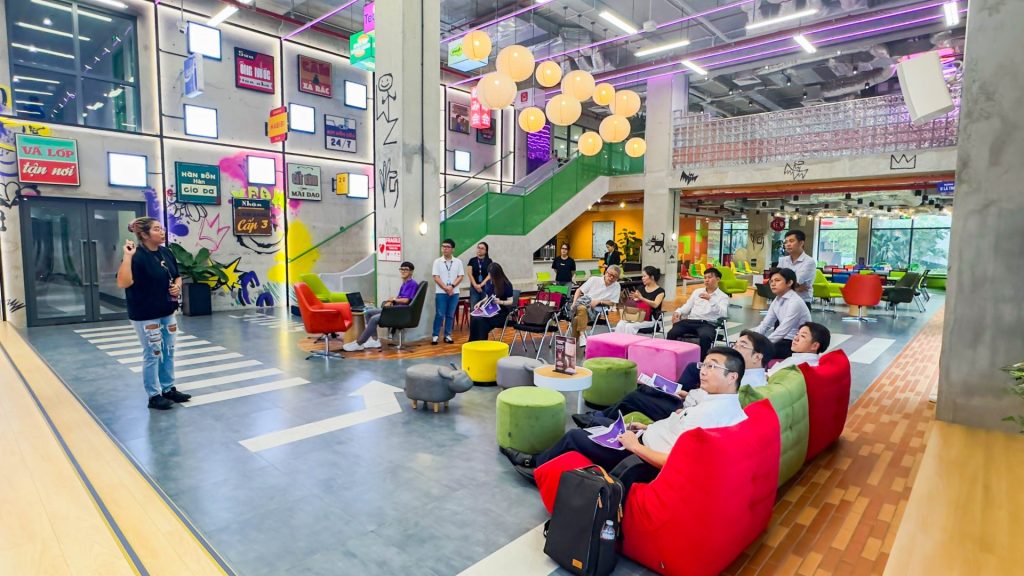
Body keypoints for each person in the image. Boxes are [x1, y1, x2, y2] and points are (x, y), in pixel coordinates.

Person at [503, 347, 748, 473]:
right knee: (605, 424)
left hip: (639, 458)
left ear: (732, 376)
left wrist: (634, 445)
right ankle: (592, 425)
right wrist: (647, 428)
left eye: (712, 367)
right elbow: (678, 433)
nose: (703, 371)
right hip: (644, 439)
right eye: (703, 365)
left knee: (575, 437)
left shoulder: (710, 415)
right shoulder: (721, 403)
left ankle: (534, 464)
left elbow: (676, 461)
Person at [573, 331, 772, 428]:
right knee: (645, 390)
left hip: (686, 410)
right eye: (736, 343)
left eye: (742, 346)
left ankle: (599, 420)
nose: (735, 348)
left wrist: (686, 397)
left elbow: (712, 408)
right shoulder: (745, 375)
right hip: (689, 401)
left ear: (758, 357)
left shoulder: (749, 384)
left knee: (635, 398)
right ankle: (601, 418)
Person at [116, 217, 190, 410]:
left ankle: (168, 389)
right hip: (145, 314)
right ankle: (154, 395)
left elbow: (177, 276)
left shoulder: (166, 252)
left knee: (168, 351)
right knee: (153, 353)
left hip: (167, 311)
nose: (162, 232)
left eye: (162, 228)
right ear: (144, 234)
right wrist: (127, 256)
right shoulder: (136, 255)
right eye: (157, 229)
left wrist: (177, 287)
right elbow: (123, 282)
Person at [343, 262, 419, 351]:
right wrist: (390, 302)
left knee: (374, 319)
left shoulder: (412, 284)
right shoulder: (405, 283)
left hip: (400, 312)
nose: (403, 271)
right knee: (368, 313)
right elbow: (400, 298)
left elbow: (406, 300)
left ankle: (359, 343)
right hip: (395, 309)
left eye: (406, 269)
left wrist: (393, 300)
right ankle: (375, 340)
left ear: (411, 272)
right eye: (401, 269)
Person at [666, 267, 730, 359]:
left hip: (707, 324)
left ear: (718, 279)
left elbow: (723, 313)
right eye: (705, 278)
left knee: (705, 337)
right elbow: (688, 306)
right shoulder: (697, 292)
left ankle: (701, 361)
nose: (706, 280)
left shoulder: (723, 296)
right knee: (672, 333)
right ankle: (671, 357)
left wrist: (711, 300)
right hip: (691, 321)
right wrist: (678, 312)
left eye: (709, 277)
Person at [751, 268, 812, 360]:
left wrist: (763, 345)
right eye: (771, 281)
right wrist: (751, 339)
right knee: (749, 348)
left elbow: (783, 330)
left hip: (796, 343)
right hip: (784, 340)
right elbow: (765, 324)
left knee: (758, 353)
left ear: (789, 283)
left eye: (777, 280)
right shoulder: (777, 300)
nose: (773, 284)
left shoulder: (795, 302)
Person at [569, 264, 622, 347]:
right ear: (606, 272)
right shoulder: (594, 279)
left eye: (615, 277)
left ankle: (572, 344)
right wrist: (574, 303)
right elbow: (579, 290)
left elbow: (613, 302)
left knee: (577, 318)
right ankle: (582, 335)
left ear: (617, 278)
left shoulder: (617, 285)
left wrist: (599, 301)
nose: (611, 278)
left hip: (597, 308)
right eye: (610, 274)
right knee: (582, 308)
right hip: (584, 303)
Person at [468, 262, 515, 342]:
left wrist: (500, 302)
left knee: (481, 321)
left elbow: (511, 301)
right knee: (475, 318)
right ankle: (473, 342)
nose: (489, 276)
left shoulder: (506, 284)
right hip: (490, 310)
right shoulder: (489, 282)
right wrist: (480, 302)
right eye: (489, 273)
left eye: (491, 274)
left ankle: (481, 342)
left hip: (501, 313)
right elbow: (487, 297)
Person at [432, 238, 465, 345]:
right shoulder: (437, 261)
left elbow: (460, 276)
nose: (444, 249)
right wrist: (446, 288)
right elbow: (436, 277)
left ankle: (447, 335)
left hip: (454, 293)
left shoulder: (458, 262)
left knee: (450, 315)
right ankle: (435, 335)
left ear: (452, 249)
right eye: (443, 246)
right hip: (441, 292)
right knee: (440, 314)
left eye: (447, 247)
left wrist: (452, 286)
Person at [614, 266, 665, 335]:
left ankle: (628, 342)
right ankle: (617, 341)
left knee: (629, 326)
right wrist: (634, 299)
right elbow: (635, 303)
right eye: (642, 276)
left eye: (644, 276)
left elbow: (655, 304)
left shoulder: (660, 291)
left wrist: (641, 298)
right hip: (636, 317)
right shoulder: (641, 288)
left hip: (650, 320)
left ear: (652, 277)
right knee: (621, 323)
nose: (642, 278)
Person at [778, 229, 816, 310]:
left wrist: (785, 284)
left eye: (791, 241)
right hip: (782, 301)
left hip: (801, 302)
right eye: (786, 242)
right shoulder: (782, 260)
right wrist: (796, 288)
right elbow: (776, 280)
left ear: (801, 243)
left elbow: (796, 281)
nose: (788, 244)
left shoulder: (809, 262)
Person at [467, 242, 493, 309]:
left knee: (485, 307)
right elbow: (469, 274)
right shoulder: (472, 260)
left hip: (486, 287)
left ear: (486, 251)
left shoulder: (489, 261)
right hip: (474, 288)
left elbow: (490, 275)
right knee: (474, 307)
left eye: (482, 248)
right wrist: (475, 285)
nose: (479, 249)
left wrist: (480, 285)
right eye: (478, 247)